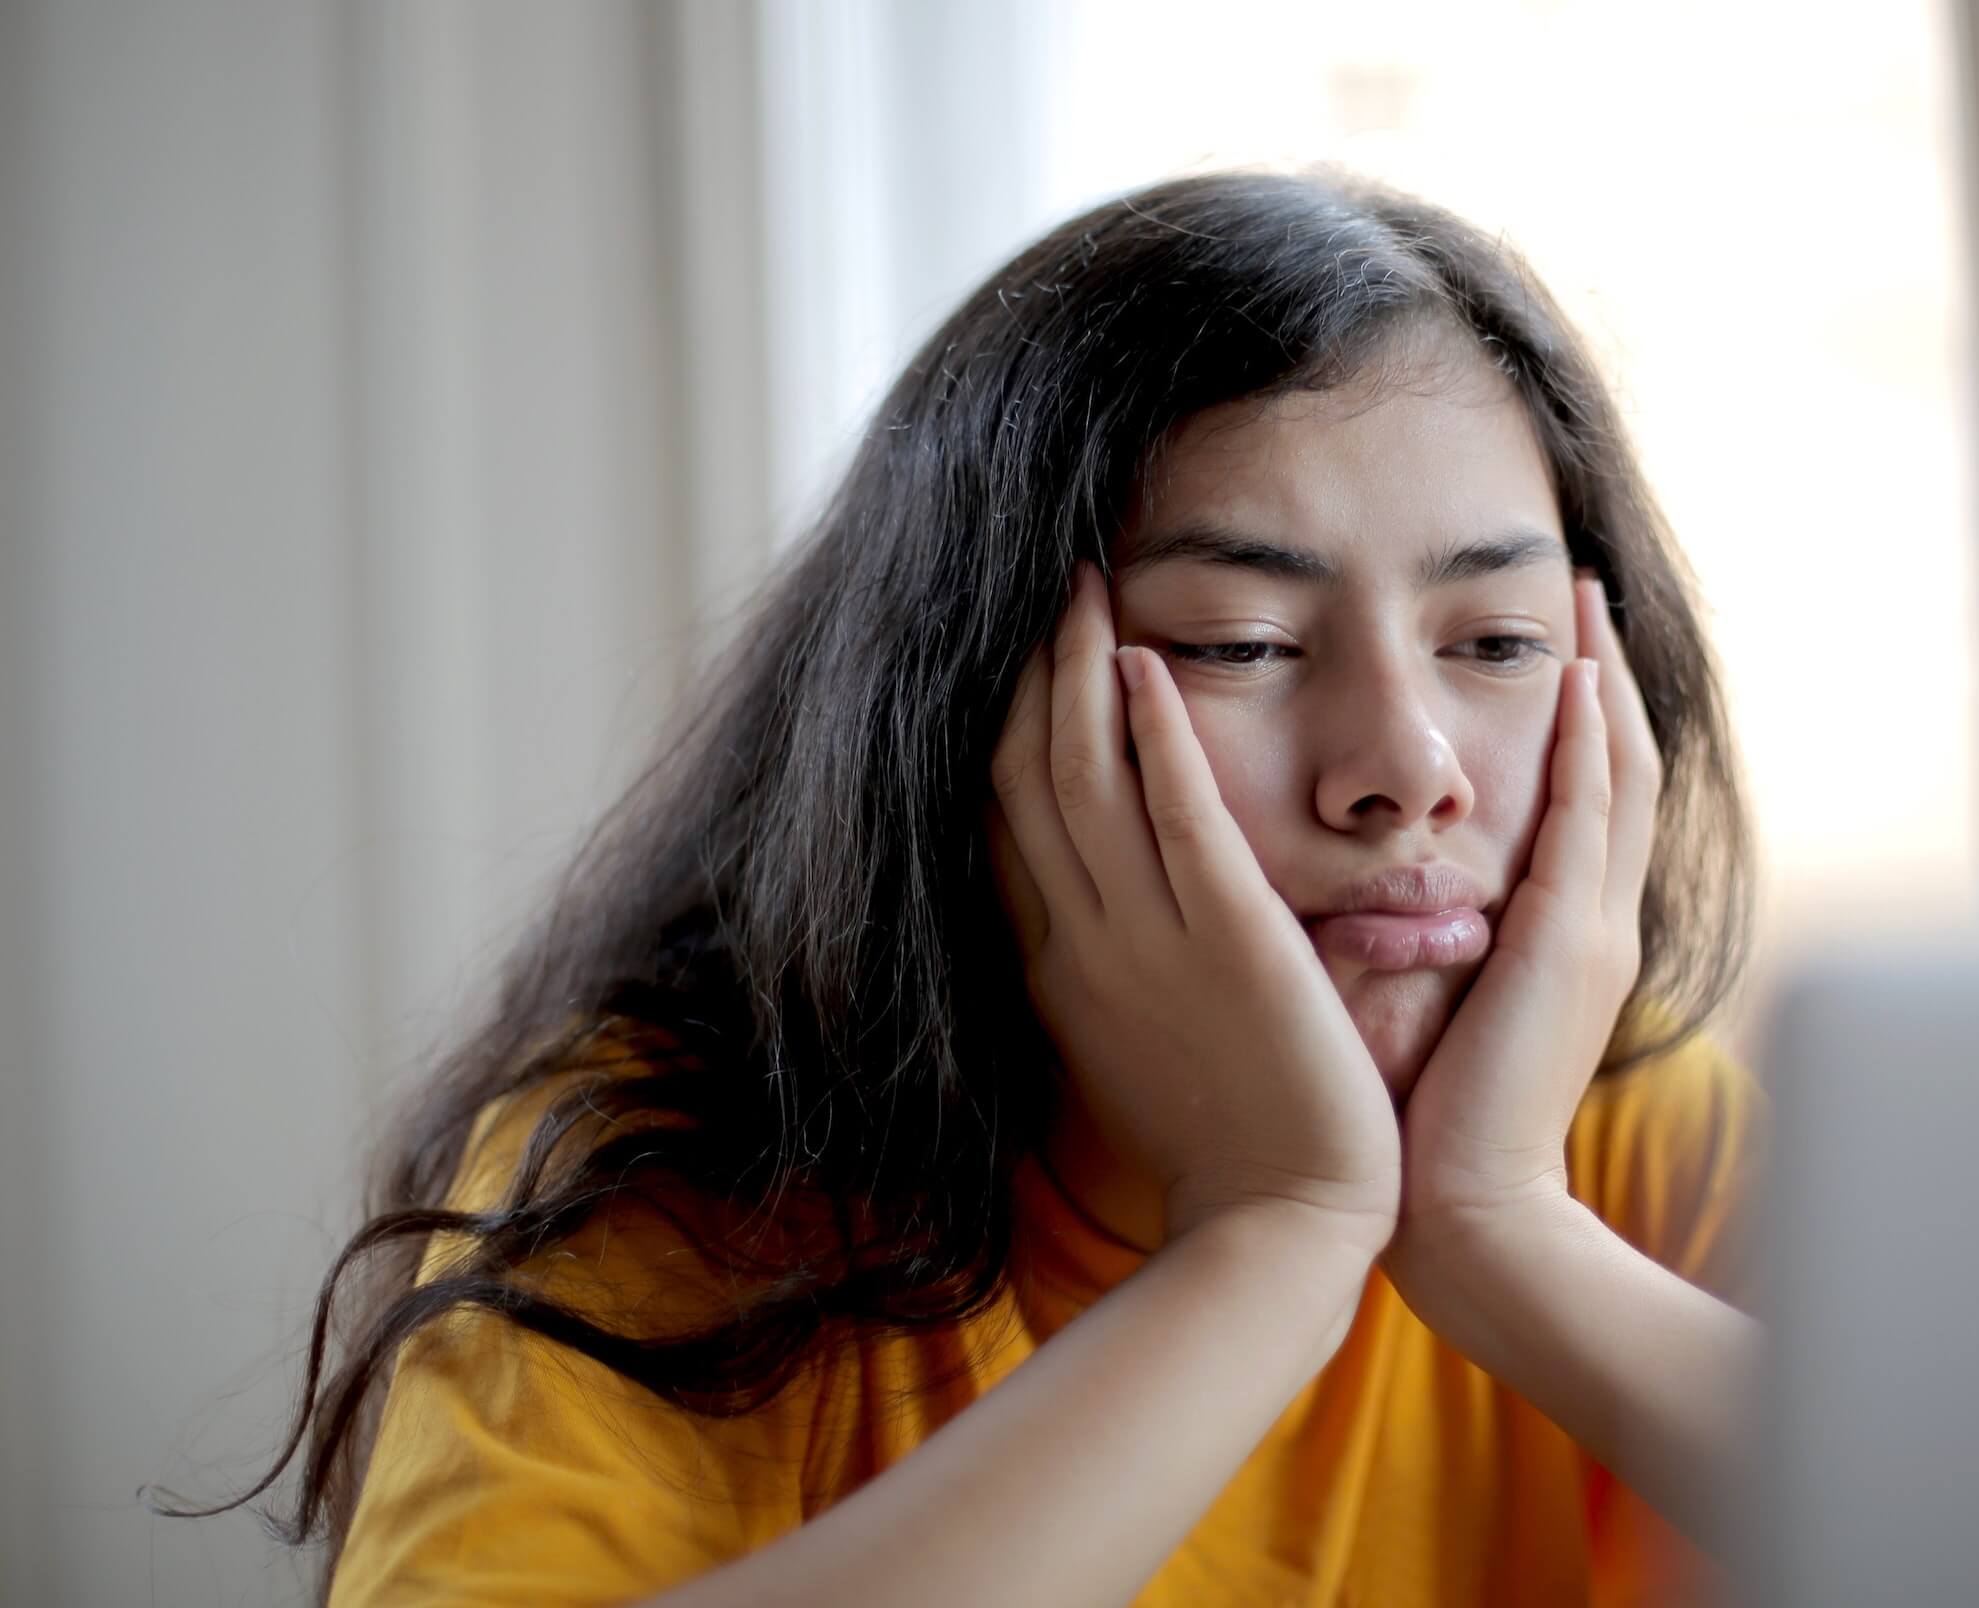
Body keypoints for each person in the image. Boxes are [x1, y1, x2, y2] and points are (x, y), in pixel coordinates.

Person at [170, 165, 1762, 1606]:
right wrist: (1274, 1234)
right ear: (971, 713)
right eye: (1240, 646)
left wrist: (1501, 1227)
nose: (1411, 768)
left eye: (1495, 644)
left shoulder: (1621, 1136)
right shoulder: (679, 1180)